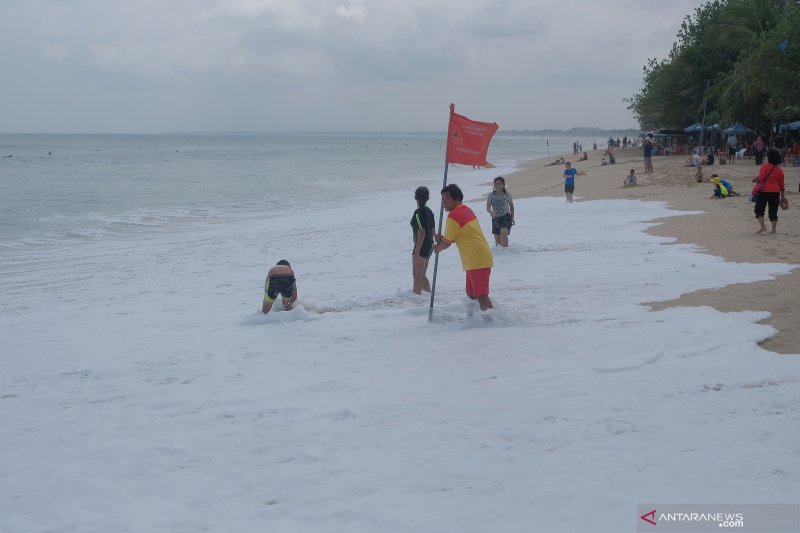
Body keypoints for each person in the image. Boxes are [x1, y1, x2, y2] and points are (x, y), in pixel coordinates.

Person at [433, 184, 494, 311]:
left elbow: (447, 243)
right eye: (442, 199)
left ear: (456, 199)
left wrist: (438, 248)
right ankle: (477, 319)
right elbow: (461, 235)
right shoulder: (466, 209)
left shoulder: (453, 215)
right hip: (476, 257)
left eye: (447, 199)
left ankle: (492, 323)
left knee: (481, 295)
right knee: (471, 294)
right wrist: (443, 239)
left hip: (477, 258)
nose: (444, 203)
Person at [753, 148, 787, 234]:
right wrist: (782, 198)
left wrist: (756, 179)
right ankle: (773, 230)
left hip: (763, 191)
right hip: (775, 192)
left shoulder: (764, 167)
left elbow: (760, 179)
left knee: (759, 209)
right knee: (773, 211)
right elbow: (782, 186)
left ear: (769, 157)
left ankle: (763, 227)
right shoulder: (780, 170)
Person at [410, 186, 435, 294]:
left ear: (415, 197)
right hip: (429, 245)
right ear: (427, 198)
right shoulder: (430, 211)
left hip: (422, 246)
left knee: (416, 275)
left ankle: (417, 300)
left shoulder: (418, 213)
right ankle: (427, 295)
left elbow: (422, 232)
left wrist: (417, 251)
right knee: (422, 275)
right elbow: (433, 232)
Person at [486, 176, 515, 247]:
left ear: (503, 185)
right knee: (497, 239)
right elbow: (488, 207)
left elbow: (511, 207)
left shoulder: (507, 194)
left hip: (506, 217)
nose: (498, 186)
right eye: (496, 184)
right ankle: (500, 255)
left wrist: (512, 218)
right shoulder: (491, 195)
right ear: (494, 185)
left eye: (500, 184)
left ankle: (506, 252)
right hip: (495, 218)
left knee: (503, 232)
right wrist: (490, 212)